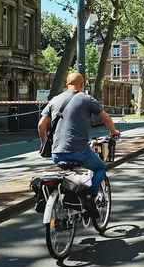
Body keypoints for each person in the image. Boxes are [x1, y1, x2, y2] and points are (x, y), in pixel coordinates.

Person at [38, 73, 121, 216]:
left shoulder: (55, 100)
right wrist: (113, 131)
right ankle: (89, 198)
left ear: (66, 85)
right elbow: (106, 118)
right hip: (80, 152)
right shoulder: (87, 99)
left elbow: (41, 125)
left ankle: (71, 199)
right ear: (83, 85)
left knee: (69, 173)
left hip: (57, 154)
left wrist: (44, 142)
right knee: (100, 167)